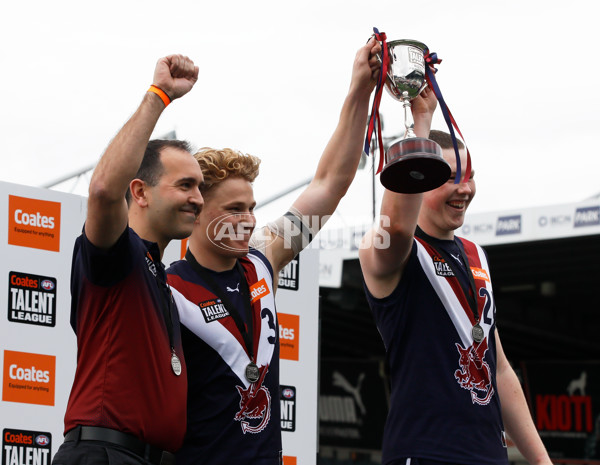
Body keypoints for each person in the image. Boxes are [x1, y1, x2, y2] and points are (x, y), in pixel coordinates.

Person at [166, 38, 382, 465]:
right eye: (233, 209)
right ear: (196, 209)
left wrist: (359, 91)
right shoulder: (167, 286)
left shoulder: (262, 263)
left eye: (251, 208)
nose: (248, 220)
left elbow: (328, 184)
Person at [358, 90, 552, 465]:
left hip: (488, 455)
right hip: (425, 453)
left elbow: (498, 367)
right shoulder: (390, 249)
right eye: (449, 178)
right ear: (422, 179)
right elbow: (397, 225)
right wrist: (421, 123)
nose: (465, 189)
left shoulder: (476, 254)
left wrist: (542, 462)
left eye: (470, 177)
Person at [52, 55, 204, 465]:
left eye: (200, 187)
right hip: (104, 454)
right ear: (139, 192)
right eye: (185, 184)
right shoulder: (120, 254)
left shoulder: (162, 280)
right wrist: (159, 96)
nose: (199, 198)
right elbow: (102, 190)